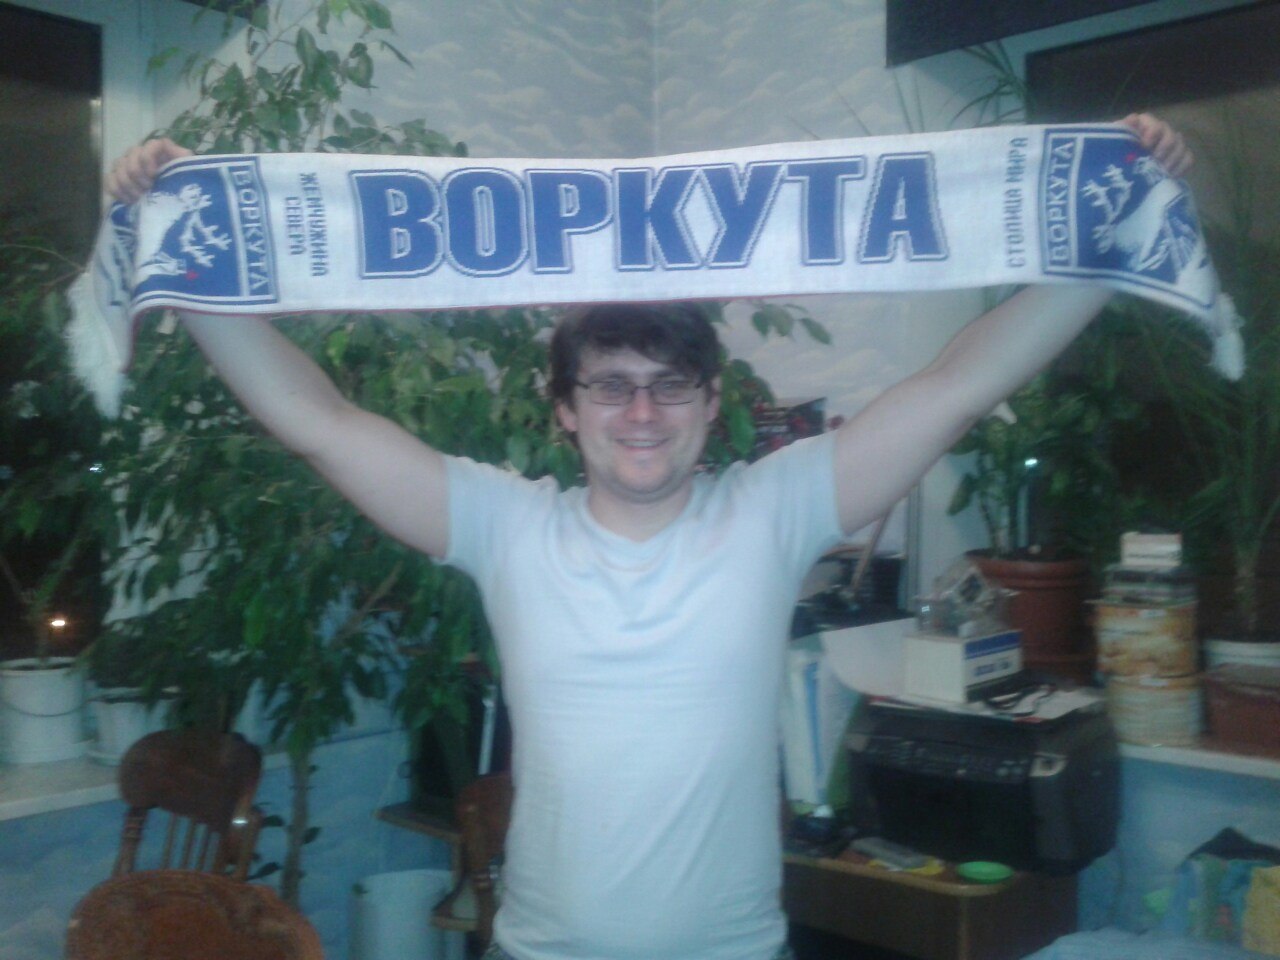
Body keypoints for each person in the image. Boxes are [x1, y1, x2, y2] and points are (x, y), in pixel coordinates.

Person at [106, 114, 1189, 960]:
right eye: (610, 385)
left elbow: (958, 384)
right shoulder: (502, 524)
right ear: (563, 408)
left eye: (670, 385)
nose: (640, 411)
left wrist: (1112, 237)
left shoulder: (773, 510)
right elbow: (319, 422)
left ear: (710, 405)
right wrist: (183, 262)